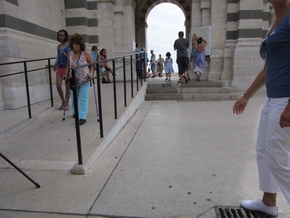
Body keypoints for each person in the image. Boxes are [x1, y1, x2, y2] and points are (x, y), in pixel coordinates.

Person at [233, 0, 290, 216]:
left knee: (278, 158)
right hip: (272, 99)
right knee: (264, 152)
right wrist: (246, 96)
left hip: (285, 99)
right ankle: (268, 202)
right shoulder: (275, 23)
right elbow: (268, 69)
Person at [64, 33, 94, 126]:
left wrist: (91, 73)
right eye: (73, 43)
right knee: (74, 97)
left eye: (77, 44)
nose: (75, 45)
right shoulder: (70, 53)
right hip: (74, 80)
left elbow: (92, 65)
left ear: (81, 44)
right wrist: (65, 74)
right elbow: (68, 65)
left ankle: (82, 117)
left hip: (84, 80)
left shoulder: (86, 53)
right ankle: (74, 112)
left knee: (83, 98)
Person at [53, 29, 70, 111]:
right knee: (58, 85)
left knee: (67, 86)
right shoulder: (58, 47)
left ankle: (67, 103)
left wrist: (66, 55)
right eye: (59, 35)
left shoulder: (69, 46)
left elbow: (71, 58)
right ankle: (63, 101)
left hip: (67, 67)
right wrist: (55, 63)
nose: (60, 37)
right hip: (59, 67)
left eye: (62, 35)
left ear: (65, 36)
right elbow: (58, 57)